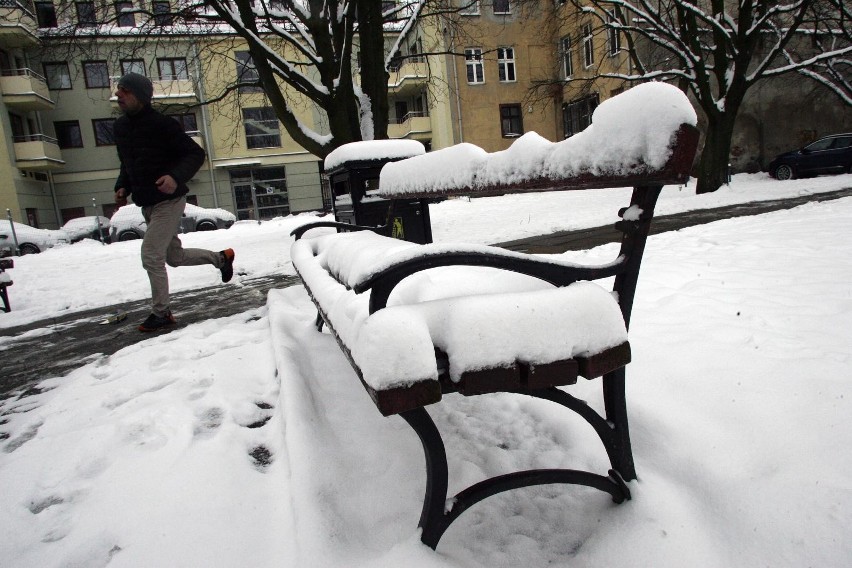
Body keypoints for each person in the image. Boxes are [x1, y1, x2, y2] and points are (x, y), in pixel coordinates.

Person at [113, 73, 235, 332]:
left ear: (141, 97)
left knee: (150, 255)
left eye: (125, 90)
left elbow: (195, 153)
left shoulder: (162, 125)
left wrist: (174, 176)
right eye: (118, 89)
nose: (118, 94)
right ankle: (221, 259)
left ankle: (161, 313)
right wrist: (122, 185)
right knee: (174, 257)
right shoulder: (120, 127)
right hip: (147, 202)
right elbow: (127, 163)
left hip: (169, 200)